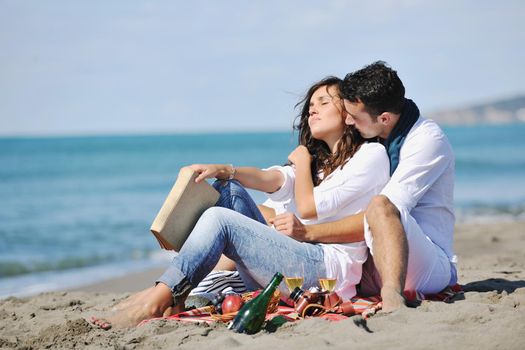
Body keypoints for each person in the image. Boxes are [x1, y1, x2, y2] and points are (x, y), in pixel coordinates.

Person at [91, 77, 390, 329]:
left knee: (221, 220)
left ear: (349, 112)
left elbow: (310, 207)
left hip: (326, 273)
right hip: (296, 260)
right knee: (228, 189)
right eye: (311, 106)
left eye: (324, 102)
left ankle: (160, 298)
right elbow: (268, 178)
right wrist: (224, 169)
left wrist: (302, 161)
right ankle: (174, 288)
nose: (313, 111)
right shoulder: (317, 165)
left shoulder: (369, 156)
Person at [278, 61, 457, 313]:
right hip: (371, 261)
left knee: (381, 205)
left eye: (354, 116)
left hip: (424, 264)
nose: (348, 121)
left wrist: (308, 232)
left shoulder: (426, 141)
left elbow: (383, 214)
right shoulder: (377, 136)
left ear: (384, 118)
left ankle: (392, 296)